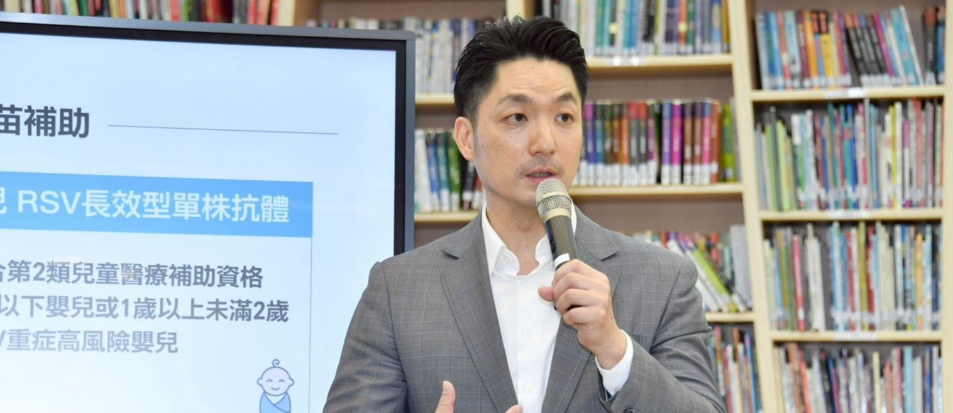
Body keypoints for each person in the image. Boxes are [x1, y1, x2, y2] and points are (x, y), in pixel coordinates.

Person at [325, 16, 725, 413]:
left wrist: (615, 350)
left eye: (564, 117)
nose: (545, 143)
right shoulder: (398, 290)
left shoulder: (663, 281)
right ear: (466, 138)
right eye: (517, 117)